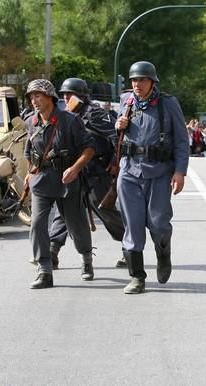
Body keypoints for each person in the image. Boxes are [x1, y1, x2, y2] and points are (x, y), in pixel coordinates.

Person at [115, 61, 189, 294]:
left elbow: (181, 141)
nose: (137, 84)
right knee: (132, 226)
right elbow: (115, 137)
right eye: (134, 80)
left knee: (158, 224)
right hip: (129, 172)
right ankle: (137, 276)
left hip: (158, 172)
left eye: (142, 80)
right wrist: (119, 125)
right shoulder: (125, 102)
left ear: (152, 82)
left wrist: (180, 171)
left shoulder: (168, 104)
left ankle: (163, 252)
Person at [23, 79, 96, 289]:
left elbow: (88, 148)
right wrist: (30, 172)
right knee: (37, 223)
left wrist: (75, 169)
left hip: (67, 181)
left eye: (38, 96)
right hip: (42, 180)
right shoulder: (31, 122)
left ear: (49, 97)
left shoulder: (70, 121)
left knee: (77, 226)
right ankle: (44, 270)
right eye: (31, 96)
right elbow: (29, 151)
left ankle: (86, 259)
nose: (34, 101)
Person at [48, 78, 127, 270]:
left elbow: (119, 137)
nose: (66, 97)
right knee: (64, 211)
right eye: (64, 94)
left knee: (105, 210)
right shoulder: (65, 115)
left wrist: (116, 162)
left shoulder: (95, 114)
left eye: (70, 94)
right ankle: (52, 251)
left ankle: (129, 247)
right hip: (74, 170)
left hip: (96, 171)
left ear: (82, 95)